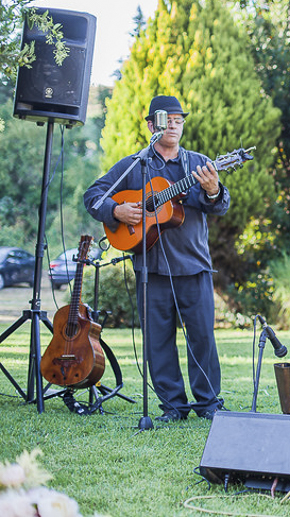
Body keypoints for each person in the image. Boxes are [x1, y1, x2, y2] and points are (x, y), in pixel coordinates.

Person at [84, 95, 230, 422]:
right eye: (168, 121)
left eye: (179, 120)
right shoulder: (135, 165)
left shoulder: (199, 164)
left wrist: (212, 190)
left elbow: (220, 204)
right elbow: (93, 196)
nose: (175, 126)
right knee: (158, 343)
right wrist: (116, 210)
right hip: (151, 269)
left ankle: (208, 404)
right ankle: (173, 407)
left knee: (202, 339)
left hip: (194, 266)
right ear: (152, 125)